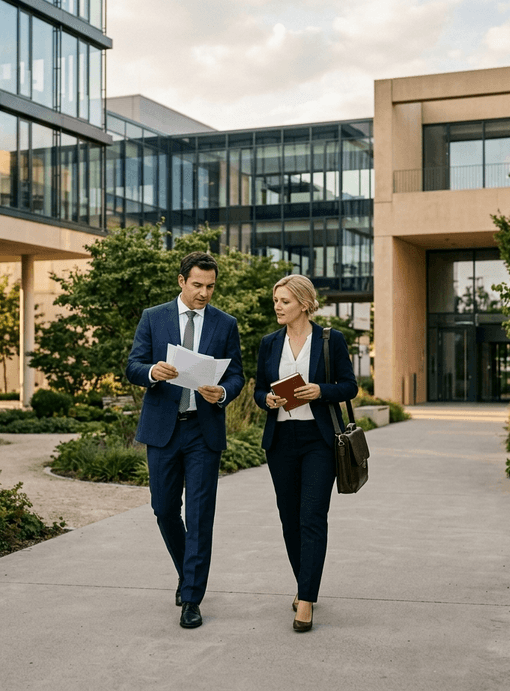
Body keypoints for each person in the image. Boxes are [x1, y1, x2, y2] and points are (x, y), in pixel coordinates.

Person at [126, 251, 244, 629]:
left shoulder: (226, 324)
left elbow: (236, 376)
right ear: (181, 281)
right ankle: (186, 571)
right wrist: (152, 371)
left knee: (200, 515)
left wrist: (222, 393)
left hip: (202, 430)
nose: (204, 293)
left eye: (210, 286)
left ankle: (192, 598)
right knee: (163, 509)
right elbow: (133, 365)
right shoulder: (153, 317)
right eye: (197, 285)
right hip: (163, 429)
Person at [254, 274, 358, 632]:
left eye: (284, 301)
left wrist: (320, 391)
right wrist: (267, 399)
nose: (277, 306)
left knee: (312, 516)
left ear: (303, 303)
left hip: (318, 439)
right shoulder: (269, 343)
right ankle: (304, 584)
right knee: (289, 518)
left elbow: (350, 385)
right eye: (276, 301)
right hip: (280, 439)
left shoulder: (331, 340)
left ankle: (306, 599)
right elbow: (257, 390)